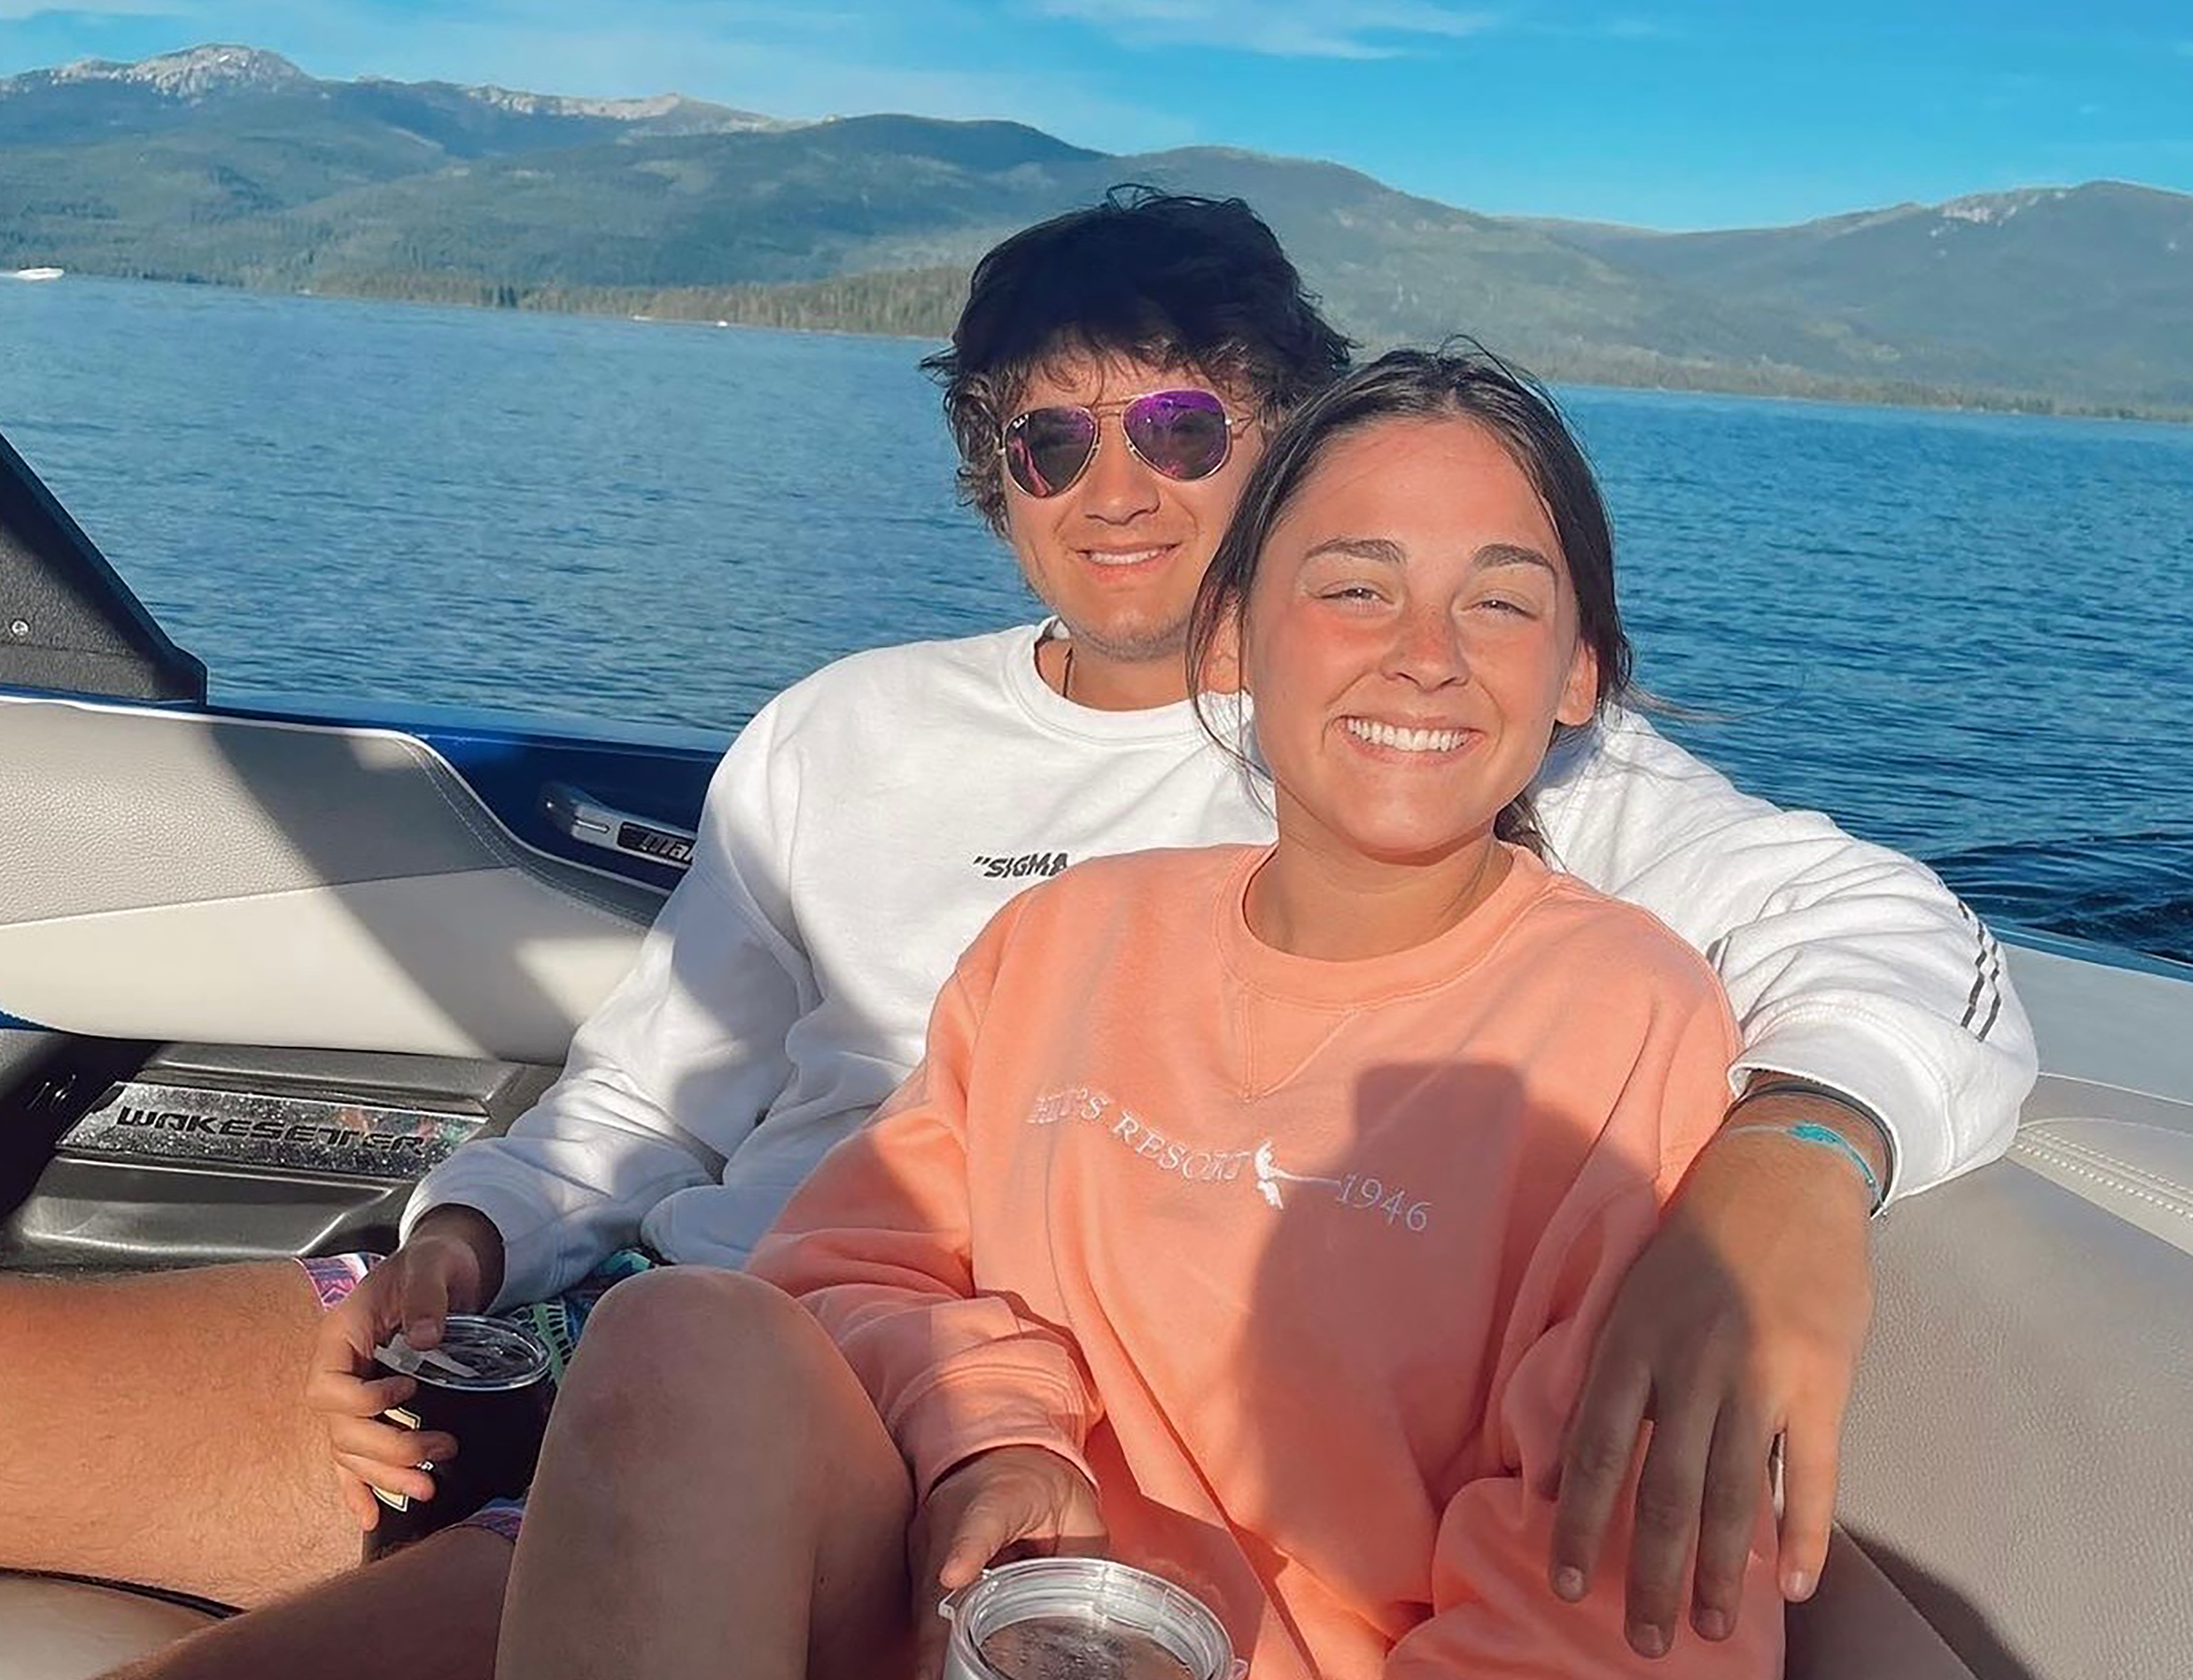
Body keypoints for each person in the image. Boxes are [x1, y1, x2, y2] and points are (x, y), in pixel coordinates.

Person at [30, 191, 2030, 1680]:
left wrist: (1798, 1158)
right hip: (630, 1331)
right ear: (993, 482)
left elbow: (1890, 939)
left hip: (892, 1470)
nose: (1118, 484)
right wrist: (454, 1239)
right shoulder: (848, 734)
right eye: (1047, 441)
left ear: (1282, 438)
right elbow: (652, 1086)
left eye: (1178, 422)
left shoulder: (1428, 753)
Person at [490, 346, 1786, 1680]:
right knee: (675, 1332)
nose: (1426, 657)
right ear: (1231, 636)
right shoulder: (1070, 935)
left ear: (1579, 676)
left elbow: (1606, 1598)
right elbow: (857, 1262)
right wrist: (994, 1438)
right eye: (1356, 586)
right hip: (954, 1609)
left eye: (1501, 605)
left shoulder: (1628, 1026)